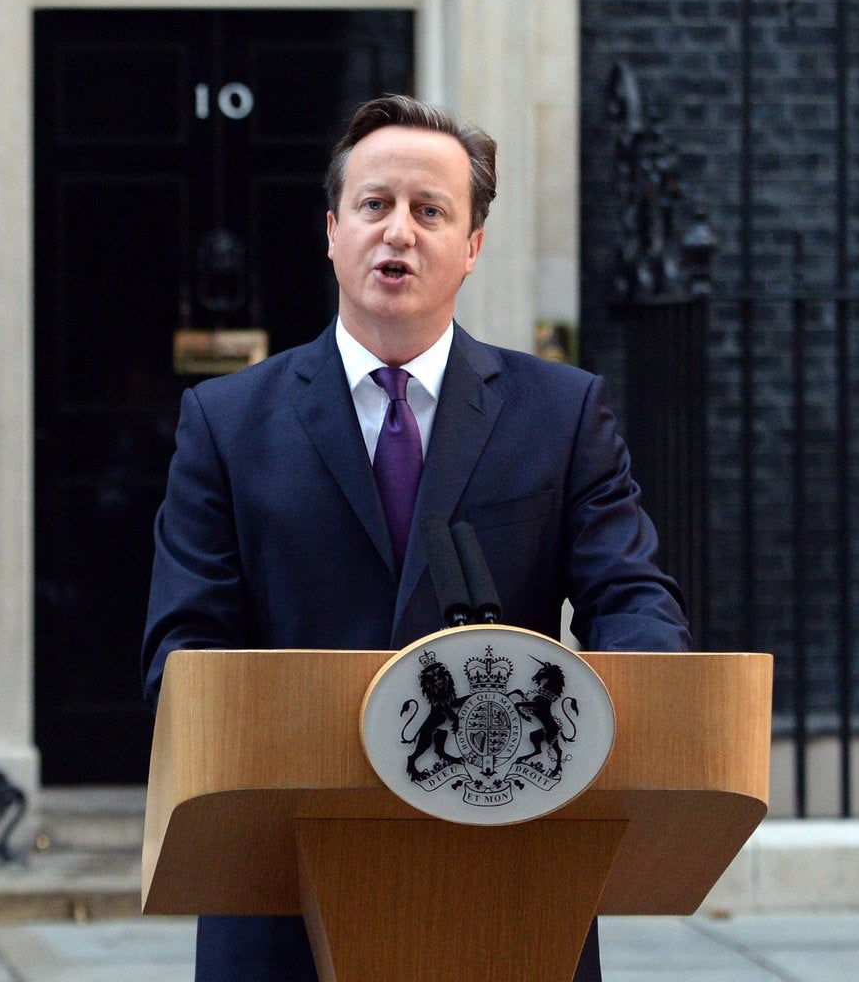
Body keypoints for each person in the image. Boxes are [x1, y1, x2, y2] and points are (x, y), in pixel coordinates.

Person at [142, 94, 689, 982]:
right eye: (374, 205)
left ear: (471, 245)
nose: (398, 231)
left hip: (512, 876)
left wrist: (654, 709)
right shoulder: (226, 421)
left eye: (430, 210)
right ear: (331, 231)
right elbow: (182, 649)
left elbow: (631, 599)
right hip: (287, 894)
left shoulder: (561, 413)